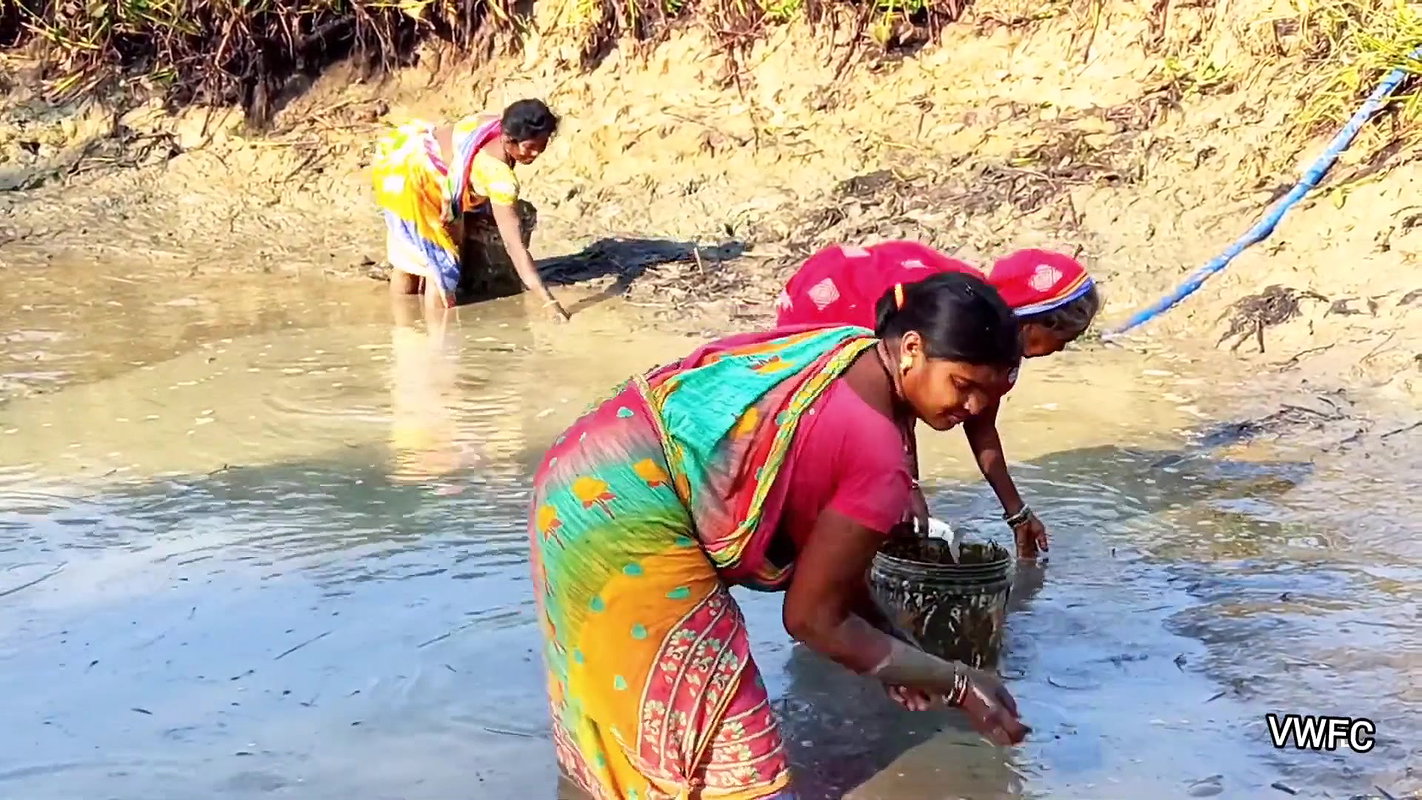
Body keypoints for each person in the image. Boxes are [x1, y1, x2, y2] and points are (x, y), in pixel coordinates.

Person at [529, 272, 1030, 800]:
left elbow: (832, 575)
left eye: (989, 395)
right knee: (737, 770)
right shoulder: (879, 459)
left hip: (580, 474)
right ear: (911, 349)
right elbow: (811, 618)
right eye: (963, 385)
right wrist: (957, 682)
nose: (974, 408)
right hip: (625, 518)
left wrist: (899, 651)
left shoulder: (845, 350)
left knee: (622, 736)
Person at [774, 240, 1102, 559]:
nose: (1061, 349)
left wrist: (1017, 513)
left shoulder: (996, 350)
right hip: (841, 295)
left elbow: (982, 427)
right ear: (1032, 324)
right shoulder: (957, 329)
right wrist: (908, 488)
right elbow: (896, 411)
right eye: (1064, 338)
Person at [371, 98, 569, 319]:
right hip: (417, 186)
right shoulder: (498, 177)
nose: (536, 153)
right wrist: (547, 301)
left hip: (402, 156)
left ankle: (404, 328)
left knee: (408, 259)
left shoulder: (491, 124)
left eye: (541, 145)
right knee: (440, 271)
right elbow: (514, 245)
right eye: (530, 147)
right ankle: (438, 334)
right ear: (509, 139)